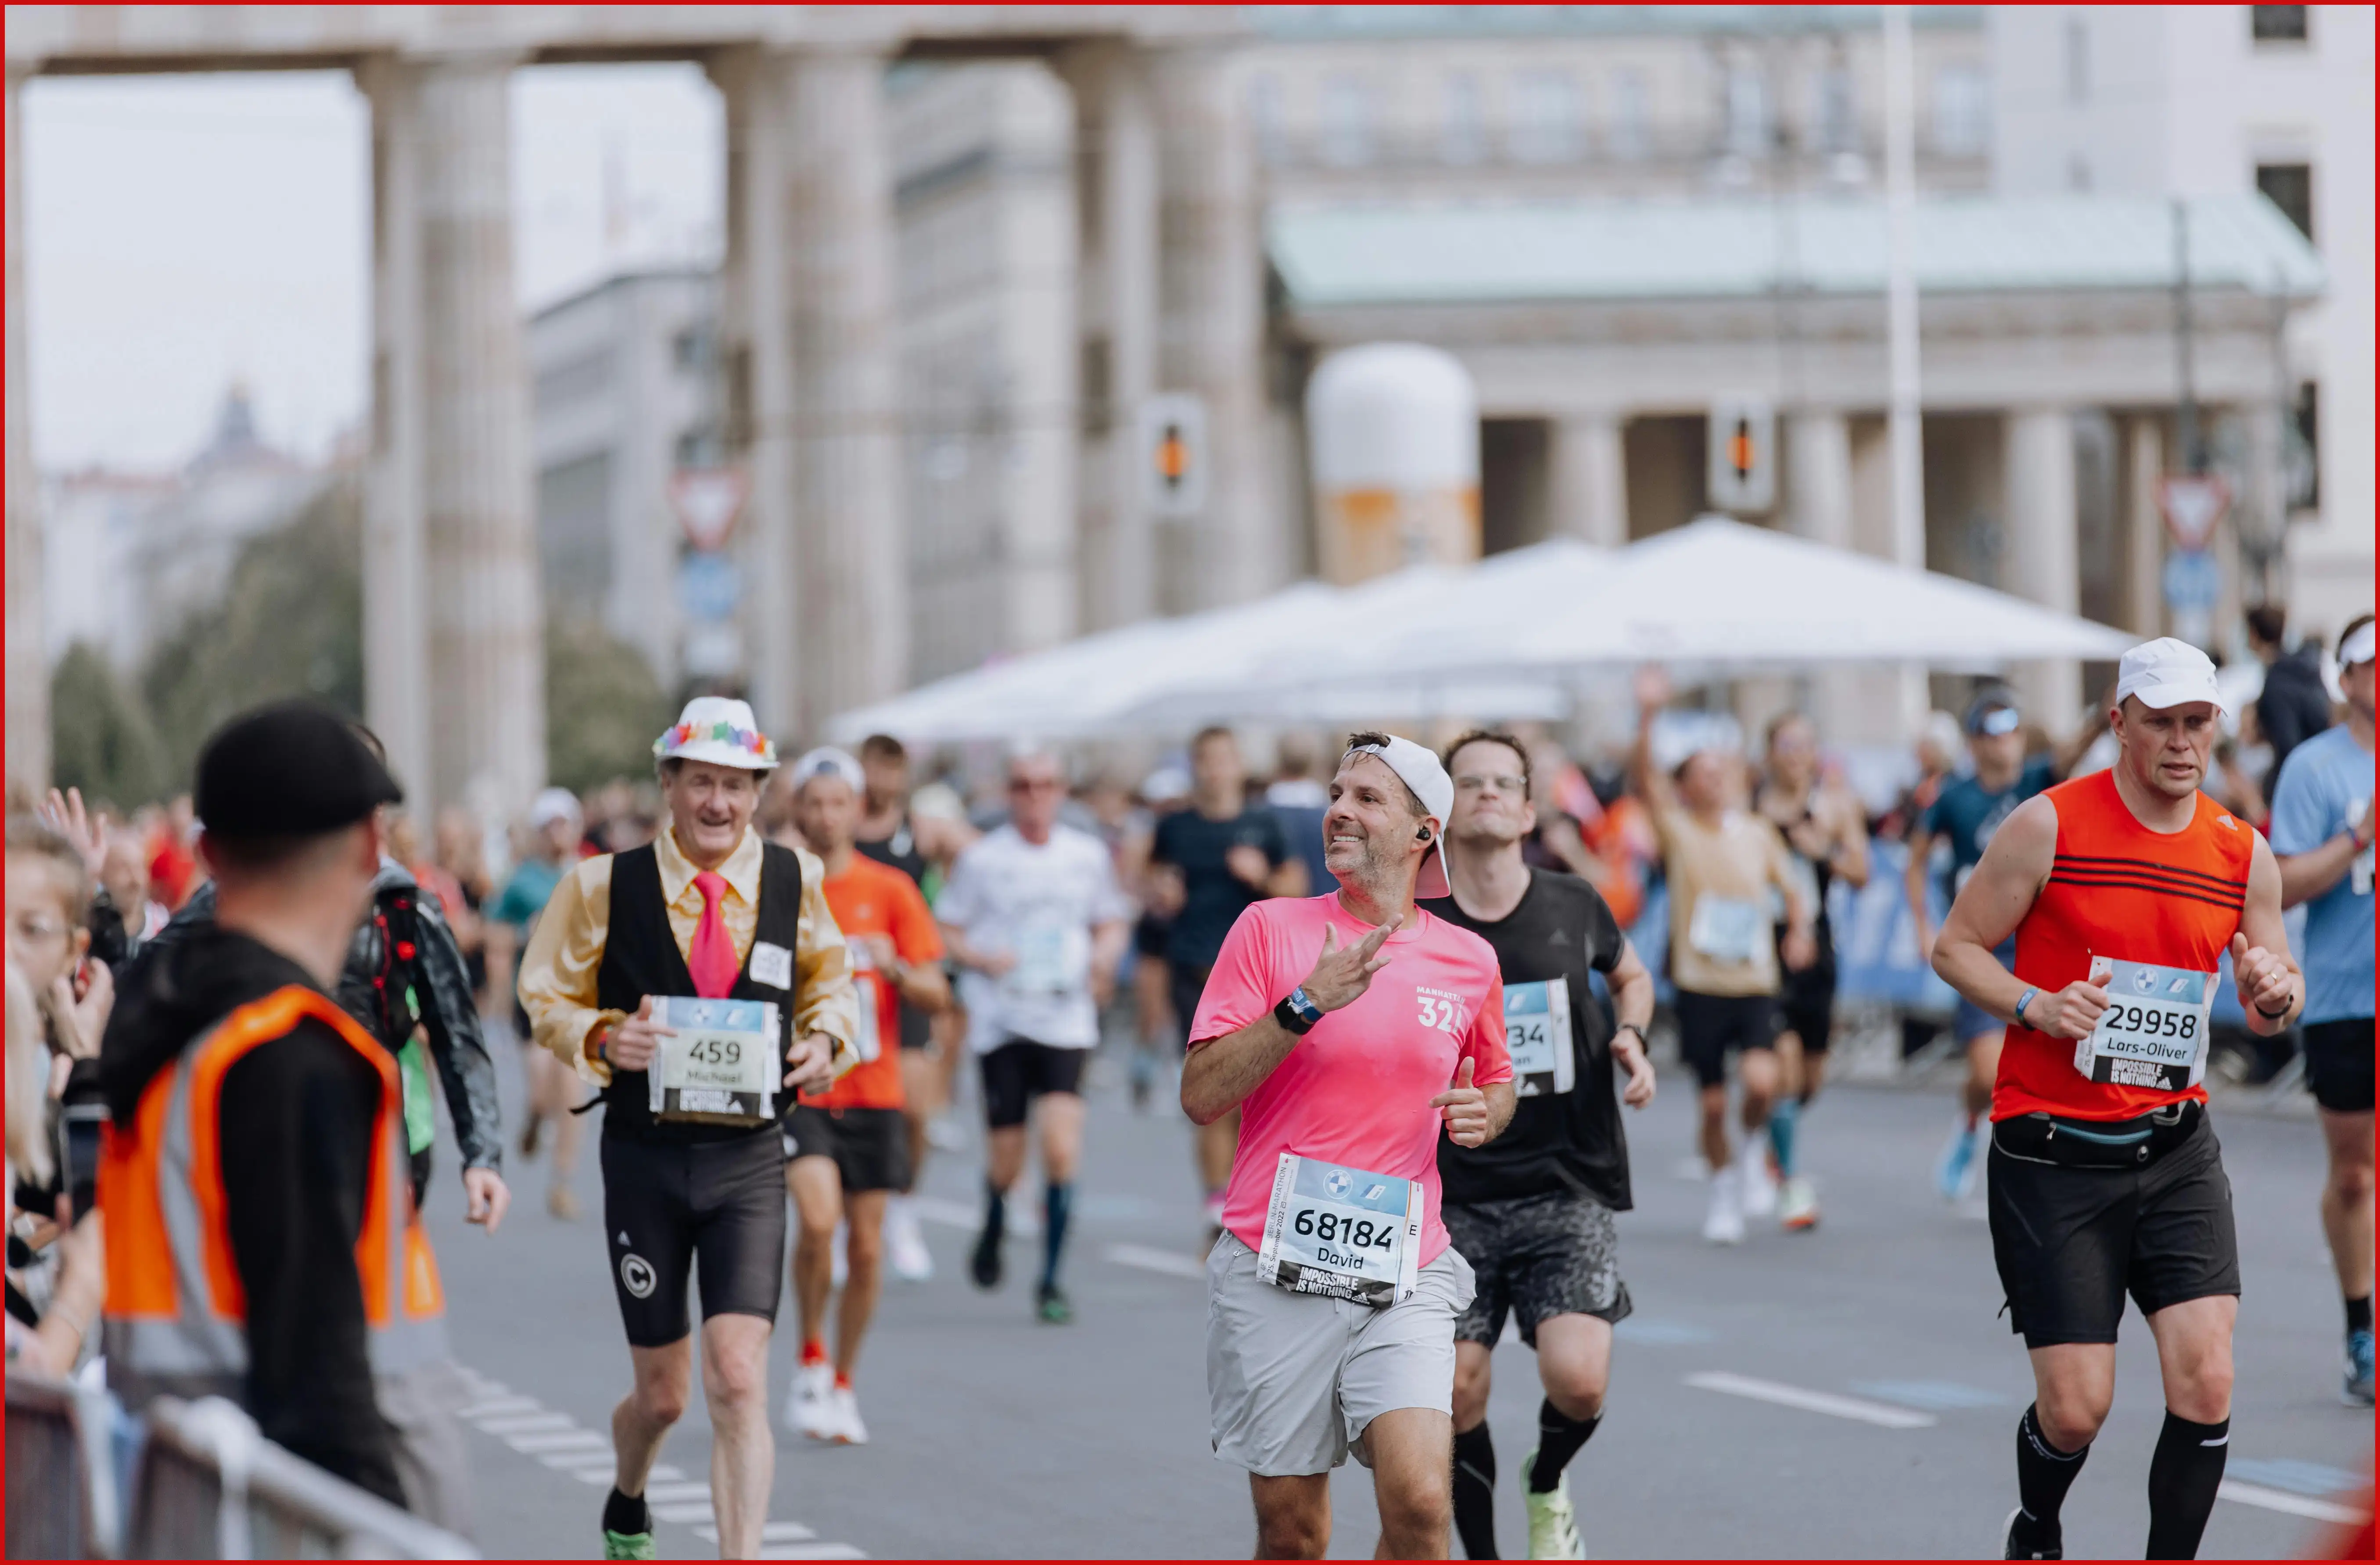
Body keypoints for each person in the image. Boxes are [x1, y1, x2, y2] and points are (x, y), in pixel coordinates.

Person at [1931, 638, 2302, 1562]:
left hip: (2173, 1148)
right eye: (2159, 723)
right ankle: (2035, 1527)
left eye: (2196, 723)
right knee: (2074, 1409)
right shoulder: (2047, 825)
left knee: (2205, 1379)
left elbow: (2274, 993)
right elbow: (1955, 947)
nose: (2180, 742)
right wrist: (2035, 1005)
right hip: (2050, 1152)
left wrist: (2270, 990)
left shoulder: (2239, 851)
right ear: (2118, 723)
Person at [516, 697, 859, 1560]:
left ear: (758, 793)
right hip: (645, 1159)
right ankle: (629, 1490)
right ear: (667, 784)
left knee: (737, 1379)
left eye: (736, 786)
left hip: (747, 1159)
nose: (718, 803)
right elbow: (542, 992)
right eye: (701, 782)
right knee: (664, 1396)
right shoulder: (600, 885)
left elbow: (831, 981)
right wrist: (601, 1037)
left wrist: (825, 1041)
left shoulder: (795, 877)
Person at [97, 702, 454, 1516]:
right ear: (369, 845)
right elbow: (318, 1361)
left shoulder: (169, 1018)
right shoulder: (292, 1053)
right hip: (290, 1509)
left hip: (177, 1476)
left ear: (208, 853)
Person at [1185, 731, 1513, 1561]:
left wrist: (1486, 1113)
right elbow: (1202, 1094)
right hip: (1275, 1262)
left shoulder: (1468, 960)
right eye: (1336, 794)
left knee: (1421, 1505)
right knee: (1294, 1536)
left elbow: (1496, 1079)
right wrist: (1304, 1004)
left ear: (1422, 833)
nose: (1339, 810)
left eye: (1367, 798)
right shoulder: (1269, 929)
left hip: (1403, 1266)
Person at [1427, 732, 1657, 1561]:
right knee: (1456, 1390)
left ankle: (1546, 1477)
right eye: (1469, 783)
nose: (1487, 793)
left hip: (1565, 1177)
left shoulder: (1571, 901)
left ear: (1528, 811)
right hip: (1450, 1190)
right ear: (1440, 811)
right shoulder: (1419, 923)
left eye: (1504, 783)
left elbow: (1631, 975)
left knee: (1579, 1381)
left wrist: (1630, 1036)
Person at [150, 805, 510, 1233]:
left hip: (374, 1132)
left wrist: (482, 1155)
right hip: (260, 1130)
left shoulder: (401, 904)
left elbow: (456, 1031)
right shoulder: (237, 896)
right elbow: (147, 979)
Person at [780, 748, 949, 1444]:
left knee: (870, 1248)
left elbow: (937, 991)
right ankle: (809, 1356)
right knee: (819, 1224)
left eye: (837, 802)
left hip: (874, 1088)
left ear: (857, 808)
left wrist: (895, 967)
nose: (826, 815)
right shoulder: (779, 887)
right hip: (803, 1089)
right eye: (814, 803)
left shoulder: (891, 889)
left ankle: (844, 1380)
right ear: (797, 810)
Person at [937, 746, 1131, 1324]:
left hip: (1065, 1017)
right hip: (1001, 1021)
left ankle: (1050, 1279)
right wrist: (981, 958)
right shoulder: (983, 858)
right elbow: (946, 927)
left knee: (1061, 1151)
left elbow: (1111, 920)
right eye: (1023, 785)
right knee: (1006, 1160)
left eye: (1045, 785)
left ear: (1061, 791)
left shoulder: (1084, 855)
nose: (1035, 796)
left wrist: (1102, 958)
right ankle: (995, 1214)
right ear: (1008, 793)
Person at [1629, 669, 1813, 1245]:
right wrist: (1648, 714)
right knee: (1711, 1107)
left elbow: (1792, 890)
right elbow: (1644, 778)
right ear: (1685, 786)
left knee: (1761, 1083)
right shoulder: (1678, 829)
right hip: (1699, 983)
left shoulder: (1757, 831)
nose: (1715, 780)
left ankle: (1754, 1145)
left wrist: (1798, 930)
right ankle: (1722, 1189)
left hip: (1753, 980)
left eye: (1721, 770)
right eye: (1703, 773)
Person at [2270, 613, 2376, 1406]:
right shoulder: (2313, 768)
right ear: (2344, 679)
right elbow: (2281, 884)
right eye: (2370, 664)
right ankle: (2359, 1329)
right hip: (2343, 998)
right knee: (2352, 1175)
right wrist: (2356, 839)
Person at [1906, 689, 2061, 1203]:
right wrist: (1922, 925)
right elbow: (1914, 862)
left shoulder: (2039, 781)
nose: (2004, 741)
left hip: (2038, 942)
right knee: (1986, 1071)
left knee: (2044, 1067)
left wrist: (2107, 709)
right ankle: (1970, 1121)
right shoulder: (1953, 797)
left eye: (2012, 728)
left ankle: (2036, 1167)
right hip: (1983, 946)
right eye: (1993, 731)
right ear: (1974, 742)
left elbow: (2074, 754)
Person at [1151, 727, 1303, 1240]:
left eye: (1223, 759)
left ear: (1238, 765)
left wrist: (1261, 876)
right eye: (1205, 760)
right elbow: (1150, 881)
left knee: (1251, 1096)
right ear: (1194, 767)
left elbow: (1296, 889)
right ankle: (1215, 1208)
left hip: (1255, 978)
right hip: (1194, 971)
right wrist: (1161, 893)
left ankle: (1244, 1198)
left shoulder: (1263, 823)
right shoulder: (1175, 826)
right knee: (1211, 1092)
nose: (1214, 770)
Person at [1753, 712, 1871, 1232]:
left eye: (1804, 744)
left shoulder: (1834, 806)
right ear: (1769, 752)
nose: (1796, 754)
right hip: (1764, 945)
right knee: (1782, 1065)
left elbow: (1861, 872)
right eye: (1786, 744)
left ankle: (1774, 1135)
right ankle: (1789, 1180)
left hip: (1818, 948)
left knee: (1810, 1077)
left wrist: (1821, 849)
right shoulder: (1753, 808)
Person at [848, 734, 942, 1281]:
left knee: (915, 1109)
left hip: (903, 979)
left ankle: (904, 1206)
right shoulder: (838, 825)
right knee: (844, 1104)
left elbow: (982, 855)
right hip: (848, 985)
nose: (882, 779)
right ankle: (844, 1222)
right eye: (874, 768)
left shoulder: (922, 830)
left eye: (893, 769)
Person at [489, 787, 592, 1219]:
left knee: (572, 1090)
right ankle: (534, 1117)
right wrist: (524, 933)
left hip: (577, 998)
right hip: (533, 997)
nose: (558, 833)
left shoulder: (588, 874)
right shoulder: (522, 880)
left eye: (564, 824)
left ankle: (562, 1182)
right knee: (540, 1087)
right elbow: (495, 933)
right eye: (550, 826)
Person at [2247, 604, 2334, 780]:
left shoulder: (2278, 682)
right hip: (2323, 765)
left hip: (2302, 774)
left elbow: (2287, 744)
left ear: (2254, 635)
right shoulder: (2302, 670)